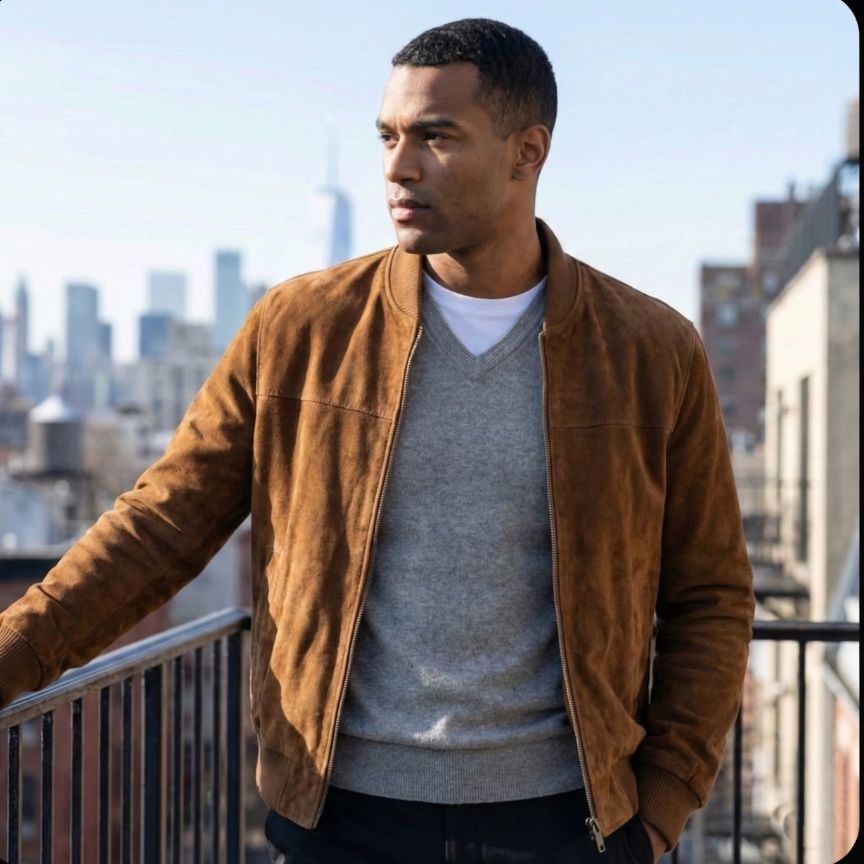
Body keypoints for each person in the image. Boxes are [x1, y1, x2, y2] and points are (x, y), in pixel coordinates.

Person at [0, 18, 754, 864]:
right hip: (342, 817)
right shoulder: (301, 329)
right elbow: (162, 524)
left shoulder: (650, 350)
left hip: (564, 821)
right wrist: (15, 651)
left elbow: (711, 595)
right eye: (389, 136)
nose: (398, 167)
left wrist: (659, 810)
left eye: (436, 136)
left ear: (526, 153)